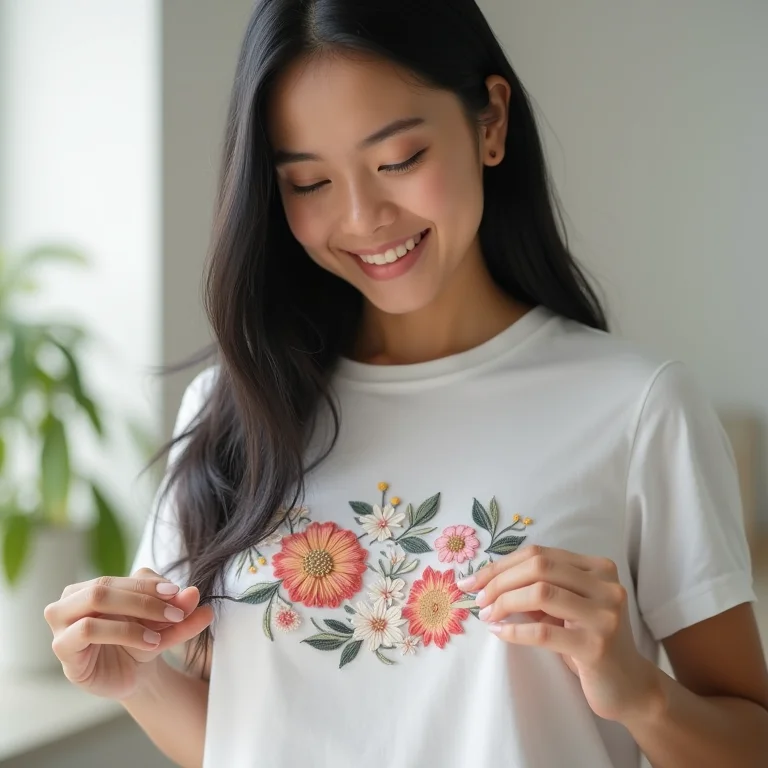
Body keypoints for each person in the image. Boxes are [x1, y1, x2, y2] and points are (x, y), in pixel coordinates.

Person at [44, 1, 768, 766]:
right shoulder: (234, 408)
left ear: (490, 122)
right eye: (311, 181)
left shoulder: (637, 407)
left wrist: (639, 693)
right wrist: (138, 683)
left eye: (397, 161)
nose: (363, 218)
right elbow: (243, 740)